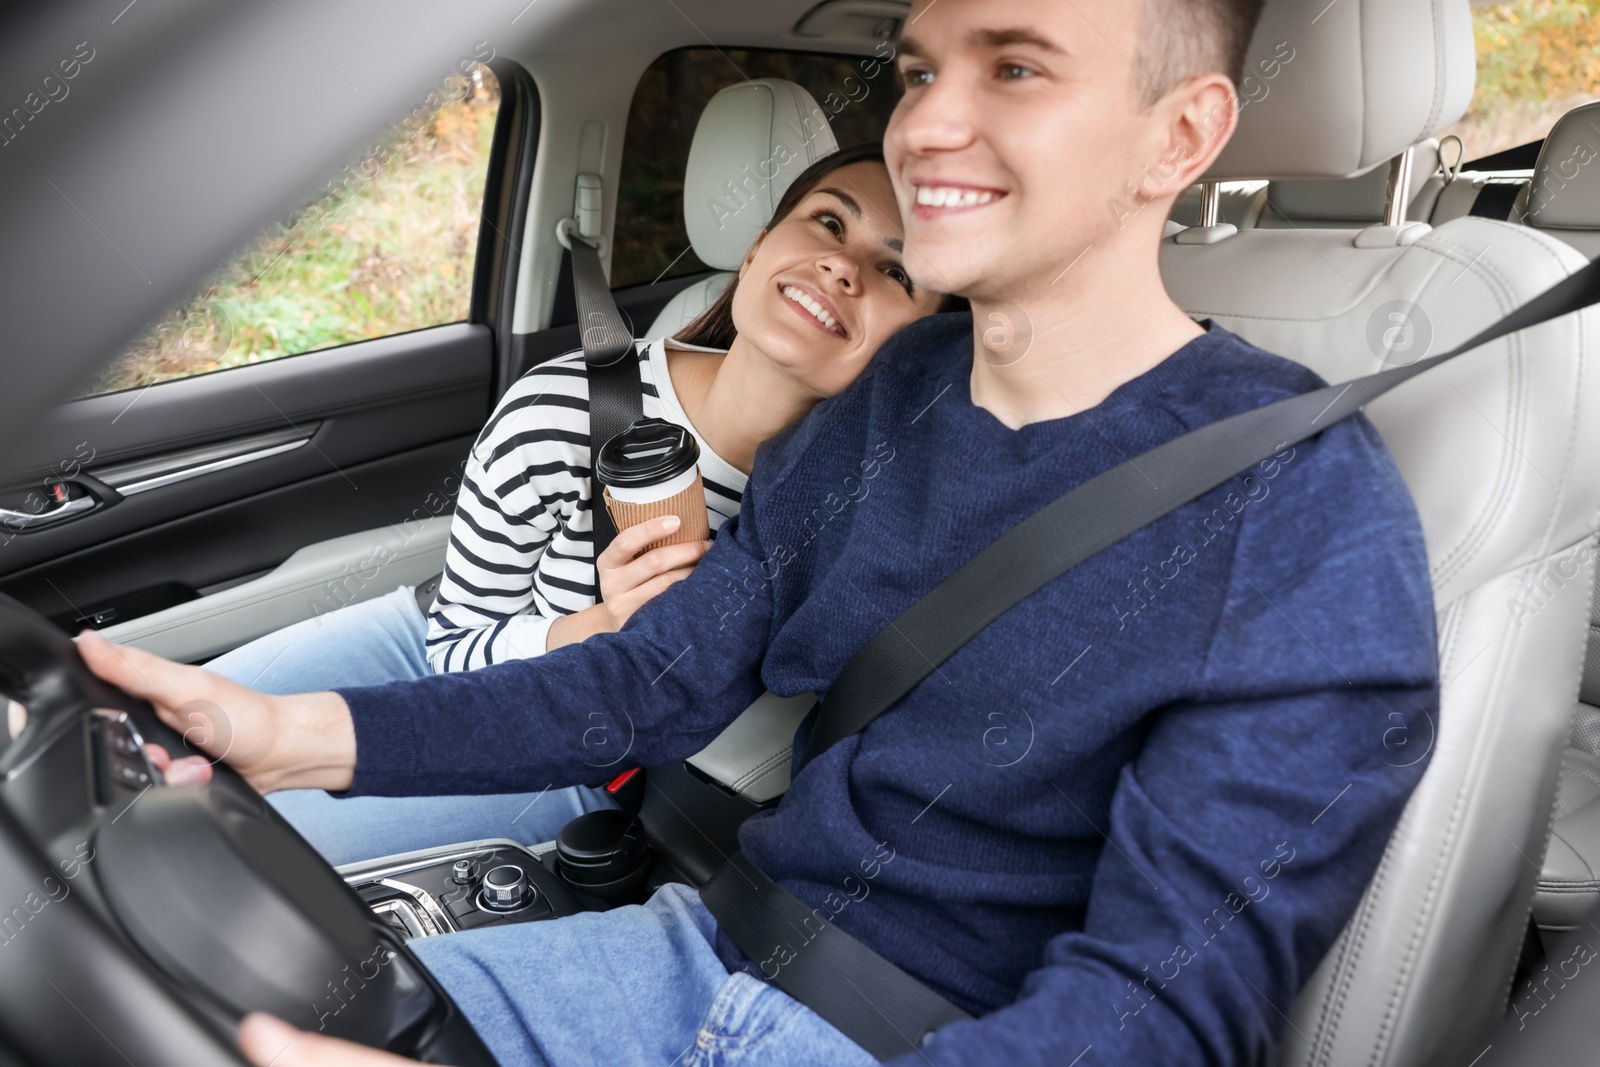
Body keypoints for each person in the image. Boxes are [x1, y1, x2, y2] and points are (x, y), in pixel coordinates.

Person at [82, 0, 1442, 1064]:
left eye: (1015, 69)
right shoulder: (896, 393)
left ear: (1182, 135)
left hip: (921, 1032)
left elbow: (1160, 1008)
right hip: (683, 947)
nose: (926, 128)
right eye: (918, 72)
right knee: (155, 1006)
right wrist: (297, 734)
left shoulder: (1306, 501)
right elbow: (655, 676)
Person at [185, 144, 945, 865]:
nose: (842, 267)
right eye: (828, 222)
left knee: (218, 842)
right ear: (755, 250)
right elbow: (450, 647)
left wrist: (633, 637)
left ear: (928, 348)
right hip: (435, 633)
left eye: (896, 271)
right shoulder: (566, 409)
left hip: (574, 749)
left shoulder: (867, 515)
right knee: (150, 742)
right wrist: (597, 623)